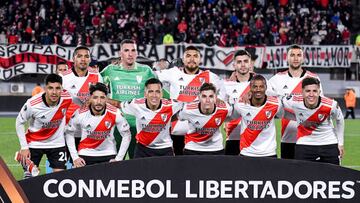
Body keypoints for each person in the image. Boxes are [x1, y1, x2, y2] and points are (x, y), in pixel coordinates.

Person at [156, 46, 223, 155]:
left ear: (200, 59)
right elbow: (151, 77)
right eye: (188, 56)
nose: (191, 59)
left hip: (199, 131)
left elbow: (225, 92)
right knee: (176, 166)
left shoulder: (210, 76)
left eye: (195, 56)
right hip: (176, 129)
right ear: (183, 59)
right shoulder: (173, 73)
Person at [101, 39, 156, 159]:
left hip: (140, 125)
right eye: (126, 50)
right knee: (114, 165)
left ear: (137, 53)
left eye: (133, 50)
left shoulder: (146, 71)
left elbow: (162, 92)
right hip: (117, 125)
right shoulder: (110, 70)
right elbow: (94, 83)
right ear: (120, 53)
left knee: (137, 165)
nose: (130, 54)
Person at [268, 44, 323, 159]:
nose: (296, 58)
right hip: (287, 138)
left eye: (299, 55)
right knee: (288, 175)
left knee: (308, 174)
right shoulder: (277, 79)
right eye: (292, 55)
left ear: (303, 58)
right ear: (287, 58)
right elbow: (260, 90)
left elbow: (321, 107)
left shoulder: (313, 78)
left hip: (310, 138)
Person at [15, 74, 72, 178]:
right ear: (45, 88)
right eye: (50, 88)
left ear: (62, 89)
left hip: (57, 143)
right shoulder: (32, 104)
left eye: (57, 88)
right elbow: (19, 122)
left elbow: (83, 102)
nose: (54, 92)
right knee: (29, 179)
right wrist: (24, 147)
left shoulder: (68, 98)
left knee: (61, 178)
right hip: (34, 143)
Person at [65, 83, 131, 167]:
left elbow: (126, 135)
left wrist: (119, 159)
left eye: (102, 98)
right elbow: (69, 133)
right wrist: (75, 157)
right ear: (90, 98)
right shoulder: (80, 113)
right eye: (95, 97)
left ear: (106, 99)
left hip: (108, 153)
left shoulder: (115, 112)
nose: (99, 101)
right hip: (85, 153)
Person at [282, 78, 344, 165]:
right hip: (304, 143)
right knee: (302, 176)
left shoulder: (331, 104)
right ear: (302, 92)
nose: (311, 94)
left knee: (334, 175)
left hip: (329, 143)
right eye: (308, 91)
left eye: (315, 91)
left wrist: (340, 143)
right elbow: (278, 107)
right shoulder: (293, 100)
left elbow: (339, 119)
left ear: (319, 92)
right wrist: (297, 119)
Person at [120, 78, 183, 158]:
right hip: (142, 149)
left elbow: (188, 108)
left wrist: (172, 118)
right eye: (150, 92)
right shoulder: (135, 104)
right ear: (145, 94)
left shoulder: (171, 105)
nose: (154, 95)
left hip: (165, 149)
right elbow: (118, 104)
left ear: (161, 94)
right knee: (137, 171)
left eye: (157, 91)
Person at [233, 75, 282, 157]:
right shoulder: (240, 104)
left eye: (261, 86)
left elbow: (281, 114)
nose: (258, 89)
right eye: (255, 87)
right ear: (250, 88)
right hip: (247, 152)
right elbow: (232, 117)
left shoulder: (276, 104)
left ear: (266, 87)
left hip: (269, 153)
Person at [178, 83, 232, 155]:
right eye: (204, 96)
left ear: (216, 97)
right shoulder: (188, 109)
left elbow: (231, 117)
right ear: (199, 97)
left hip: (216, 148)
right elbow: (178, 117)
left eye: (211, 96)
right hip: (192, 148)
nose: (207, 100)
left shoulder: (225, 109)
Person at [222, 50, 255, 155]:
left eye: (245, 61)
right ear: (234, 65)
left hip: (254, 138)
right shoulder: (225, 85)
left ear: (250, 64)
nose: (243, 65)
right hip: (232, 136)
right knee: (231, 170)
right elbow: (222, 108)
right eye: (239, 62)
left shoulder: (260, 85)